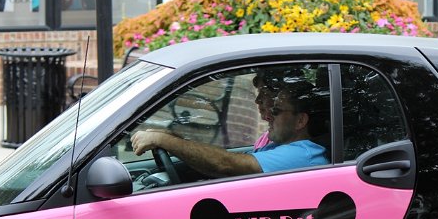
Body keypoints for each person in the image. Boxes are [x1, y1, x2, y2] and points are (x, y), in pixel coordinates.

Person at [130, 80, 328, 178]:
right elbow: (221, 160)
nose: (267, 114)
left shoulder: (302, 155)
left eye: (275, 111)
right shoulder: (278, 147)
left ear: (300, 121)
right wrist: (175, 141)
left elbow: (225, 163)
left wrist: (163, 140)